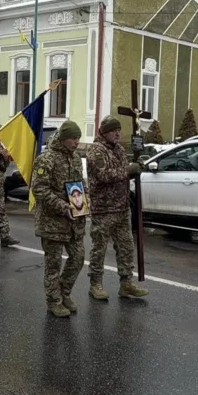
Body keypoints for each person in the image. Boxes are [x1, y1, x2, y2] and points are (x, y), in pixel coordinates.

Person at [86, 116, 149, 301]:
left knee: (126, 247)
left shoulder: (120, 149)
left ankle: (126, 283)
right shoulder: (96, 151)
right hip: (103, 209)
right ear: (104, 132)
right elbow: (104, 175)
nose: (118, 133)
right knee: (99, 248)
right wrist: (129, 170)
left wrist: (136, 170)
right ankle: (95, 283)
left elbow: (122, 175)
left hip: (121, 208)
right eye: (114, 131)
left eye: (119, 130)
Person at [30, 121, 87, 318]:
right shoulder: (47, 159)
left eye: (79, 138)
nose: (77, 142)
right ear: (63, 138)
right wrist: (63, 207)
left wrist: (84, 203)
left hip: (74, 221)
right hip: (52, 221)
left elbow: (80, 184)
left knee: (78, 257)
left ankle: (64, 292)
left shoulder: (76, 158)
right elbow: (39, 189)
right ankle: (54, 301)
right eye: (73, 138)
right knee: (53, 264)